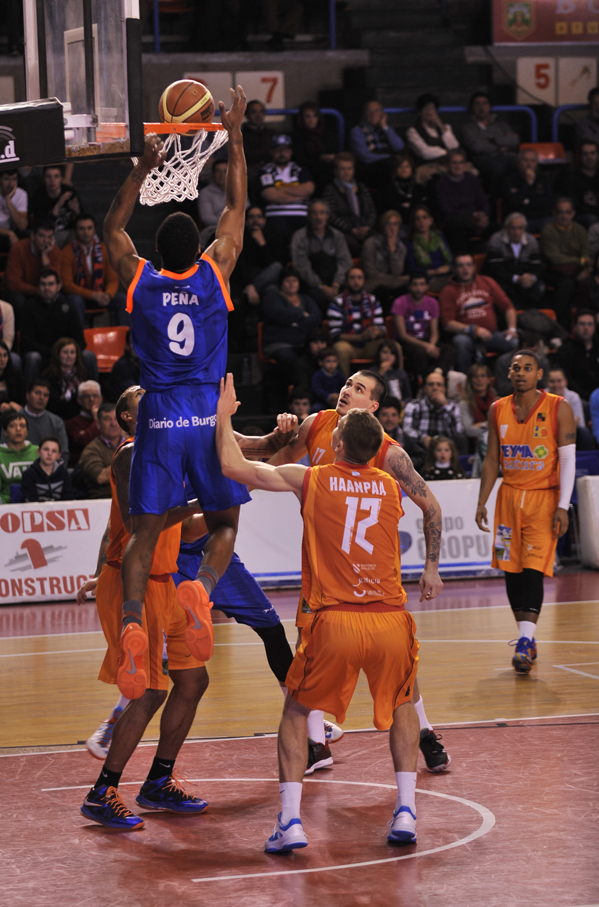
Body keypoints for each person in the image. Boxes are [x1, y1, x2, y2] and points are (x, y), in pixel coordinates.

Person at [217, 377, 443, 851]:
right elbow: (423, 504)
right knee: (404, 707)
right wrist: (430, 565)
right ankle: (405, 811)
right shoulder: (387, 484)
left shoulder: (312, 478)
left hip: (334, 617)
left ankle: (291, 821)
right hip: (389, 619)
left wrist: (222, 415)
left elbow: (234, 466)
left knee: (296, 712)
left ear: (335, 443)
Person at [103, 87, 252, 697]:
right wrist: (235, 134)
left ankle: (135, 622)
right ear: (204, 248)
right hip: (205, 413)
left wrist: (141, 167)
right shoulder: (218, 272)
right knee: (223, 525)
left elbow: (112, 225)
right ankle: (201, 591)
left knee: (144, 532)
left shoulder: (138, 278)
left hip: (158, 413)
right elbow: (238, 204)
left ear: (155, 253)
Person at [267, 369, 451, 774]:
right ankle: (317, 745)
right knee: (307, 649)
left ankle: (424, 732)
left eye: (359, 389)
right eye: (348, 384)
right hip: (322, 563)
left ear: (374, 408)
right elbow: (271, 462)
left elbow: (432, 506)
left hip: (371, 572)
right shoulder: (316, 424)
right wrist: (277, 435)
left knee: (400, 665)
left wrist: (432, 567)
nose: (348, 391)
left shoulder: (389, 452)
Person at [78, 391, 209, 830]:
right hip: (132, 583)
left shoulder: (163, 454)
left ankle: (158, 781)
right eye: (141, 398)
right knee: (150, 691)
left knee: (193, 679)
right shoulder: (130, 455)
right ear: (128, 417)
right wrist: (198, 501)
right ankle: (102, 791)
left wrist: (223, 505)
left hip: (165, 582)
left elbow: (185, 530)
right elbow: (138, 526)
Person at [475, 350, 576, 673]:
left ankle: (525, 639)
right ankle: (526, 639)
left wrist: (563, 505)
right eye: (516, 368)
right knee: (511, 569)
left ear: (539, 374)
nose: (520, 373)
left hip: (543, 499)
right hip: (508, 499)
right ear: (509, 374)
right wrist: (482, 501)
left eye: (527, 368)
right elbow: (492, 459)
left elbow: (569, 460)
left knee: (533, 567)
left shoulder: (559, 408)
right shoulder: (497, 409)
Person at [439, 253, 518, 374]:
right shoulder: (448, 291)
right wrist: (474, 330)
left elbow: (508, 307)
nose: (465, 269)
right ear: (455, 269)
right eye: (461, 266)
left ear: (474, 267)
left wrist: (512, 328)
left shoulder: (487, 282)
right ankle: (466, 381)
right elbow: (448, 323)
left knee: (514, 343)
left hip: (491, 334)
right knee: (461, 342)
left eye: (468, 265)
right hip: (466, 335)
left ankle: (505, 378)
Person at [19, 269, 96, 386]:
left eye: (50, 284)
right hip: (43, 355)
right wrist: (55, 353)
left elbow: (80, 340)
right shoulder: (28, 308)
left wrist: (68, 353)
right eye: (43, 284)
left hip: (67, 354)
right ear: (38, 287)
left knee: (88, 356)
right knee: (32, 357)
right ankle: (30, 398)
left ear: (58, 286)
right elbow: (27, 342)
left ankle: (93, 394)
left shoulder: (69, 306)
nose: (47, 288)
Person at [61, 213, 127, 327]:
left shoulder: (103, 249)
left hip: (101, 295)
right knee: (75, 301)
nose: (86, 232)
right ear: (75, 231)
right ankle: (80, 340)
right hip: (80, 297)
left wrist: (108, 295)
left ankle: (127, 340)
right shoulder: (67, 252)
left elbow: (113, 278)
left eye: (89, 228)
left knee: (123, 300)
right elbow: (67, 285)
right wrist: (92, 295)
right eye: (81, 228)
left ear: (94, 230)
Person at [261, 265, 322, 388]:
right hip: (279, 344)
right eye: (288, 281)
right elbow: (278, 314)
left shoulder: (306, 299)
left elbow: (316, 317)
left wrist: (293, 322)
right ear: (282, 283)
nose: (291, 284)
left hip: (302, 343)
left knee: (319, 356)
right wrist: (301, 315)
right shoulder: (273, 297)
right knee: (289, 358)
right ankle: (294, 392)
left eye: (294, 281)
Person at [258, 134, 315, 263]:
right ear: (271, 152)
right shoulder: (265, 171)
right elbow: (269, 195)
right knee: (278, 235)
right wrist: (298, 194)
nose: (282, 153)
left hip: (301, 217)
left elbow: (309, 189)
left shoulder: (300, 170)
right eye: (278, 150)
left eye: (285, 149)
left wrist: (280, 191)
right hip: (275, 218)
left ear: (291, 152)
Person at [290, 199, 352, 312]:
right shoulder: (299, 236)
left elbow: (345, 262)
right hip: (311, 284)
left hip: (335, 282)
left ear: (327, 215)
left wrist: (336, 285)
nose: (318, 217)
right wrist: (322, 287)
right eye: (314, 213)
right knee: (318, 299)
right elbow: (301, 265)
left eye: (322, 213)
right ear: (309, 216)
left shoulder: (337, 236)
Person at [392, 271, 453, 383]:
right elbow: (402, 335)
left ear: (427, 286)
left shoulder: (433, 302)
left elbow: (434, 332)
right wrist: (426, 346)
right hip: (407, 342)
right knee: (420, 353)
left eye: (421, 284)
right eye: (415, 284)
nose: (418, 288)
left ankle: (438, 373)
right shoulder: (399, 302)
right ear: (409, 286)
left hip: (426, 340)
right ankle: (425, 382)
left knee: (449, 349)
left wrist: (432, 345)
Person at [540, 197, 591, 330]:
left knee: (589, 281)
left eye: (567, 212)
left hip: (577, 271)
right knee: (566, 285)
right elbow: (555, 258)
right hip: (553, 271)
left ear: (573, 213)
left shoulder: (579, 229)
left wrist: (587, 269)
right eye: (561, 212)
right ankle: (563, 328)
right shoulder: (548, 230)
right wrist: (580, 261)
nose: (564, 215)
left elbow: (587, 254)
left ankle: (586, 324)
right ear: (554, 213)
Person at [327, 266, 386, 376]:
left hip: (370, 344)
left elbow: (382, 328)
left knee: (392, 347)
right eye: (352, 278)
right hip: (350, 346)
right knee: (339, 348)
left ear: (364, 280)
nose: (356, 281)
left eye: (359, 278)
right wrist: (361, 337)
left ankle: (388, 384)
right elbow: (335, 335)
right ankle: (345, 388)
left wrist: (376, 332)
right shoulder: (337, 303)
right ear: (346, 281)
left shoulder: (373, 300)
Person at [434, 149, 492, 254]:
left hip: (476, 221)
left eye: (461, 162)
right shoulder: (441, 184)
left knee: (499, 228)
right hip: (456, 221)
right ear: (447, 165)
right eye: (454, 162)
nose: (458, 166)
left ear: (466, 165)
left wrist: (484, 216)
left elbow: (484, 202)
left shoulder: (472, 179)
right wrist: (474, 216)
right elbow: (447, 210)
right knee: (459, 228)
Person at [485, 212, 544, 310]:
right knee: (506, 289)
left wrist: (531, 277)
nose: (516, 232)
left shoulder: (531, 241)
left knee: (538, 288)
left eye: (520, 228)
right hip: (504, 278)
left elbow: (537, 266)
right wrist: (517, 278)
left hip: (525, 277)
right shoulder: (496, 240)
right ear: (506, 228)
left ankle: (533, 318)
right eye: (513, 228)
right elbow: (495, 269)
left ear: (525, 228)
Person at [461, 92, 520, 189]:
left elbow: (514, 140)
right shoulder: (468, 127)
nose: (481, 107)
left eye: (484, 103)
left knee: (524, 163)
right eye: (477, 103)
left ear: (489, 107)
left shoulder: (501, 124)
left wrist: (491, 140)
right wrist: (501, 147)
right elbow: (477, 147)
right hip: (483, 158)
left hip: (505, 156)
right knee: (497, 168)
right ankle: (493, 200)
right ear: (472, 108)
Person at [403, 370, 468, 457]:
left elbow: (458, 431)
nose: (435, 388)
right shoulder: (413, 406)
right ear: (425, 388)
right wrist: (423, 437)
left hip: (447, 451)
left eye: (439, 384)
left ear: (444, 389)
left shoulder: (452, 407)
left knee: (462, 438)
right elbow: (406, 429)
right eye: (431, 384)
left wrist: (445, 406)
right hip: (422, 450)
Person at [322, 152, 377, 256]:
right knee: (348, 243)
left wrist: (367, 227)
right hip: (344, 231)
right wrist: (351, 230)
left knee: (377, 240)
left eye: (349, 168)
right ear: (336, 171)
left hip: (365, 229)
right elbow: (330, 215)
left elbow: (372, 210)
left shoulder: (361, 187)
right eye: (343, 169)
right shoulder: (330, 190)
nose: (346, 172)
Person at [5, 221, 63, 317]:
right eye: (42, 236)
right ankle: (21, 331)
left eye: (49, 237)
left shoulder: (55, 251)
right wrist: (40, 291)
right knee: (18, 299)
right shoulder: (18, 248)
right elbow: (13, 283)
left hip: (42, 290)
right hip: (19, 292)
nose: (46, 241)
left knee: (60, 299)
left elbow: (56, 281)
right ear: (33, 236)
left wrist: (45, 259)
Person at [360, 209, 409, 312]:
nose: (392, 228)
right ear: (383, 226)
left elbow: (397, 271)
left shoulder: (401, 247)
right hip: (373, 284)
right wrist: (396, 279)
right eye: (388, 224)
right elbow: (371, 274)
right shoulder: (371, 243)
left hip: (392, 282)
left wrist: (392, 250)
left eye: (395, 224)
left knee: (407, 290)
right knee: (382, 293)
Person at [405, 93, 460, 183]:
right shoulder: (413, 131)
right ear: (420, 112)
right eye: (426, 109)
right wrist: (447, 152)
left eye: (432, 109)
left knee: (468, 173)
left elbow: (454, 147)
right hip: (428, 166)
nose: (430, 112)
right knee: (435, 178)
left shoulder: (445, 127)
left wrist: (441, 127)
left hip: (449, 165)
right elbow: (424, 152)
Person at [350, 100, 405, 190]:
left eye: (377, 110)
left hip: (388, 164)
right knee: (388, 166)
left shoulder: (386, 129)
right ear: (364, 114)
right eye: (369, 111)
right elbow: (365, 157)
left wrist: (384, 126)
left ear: (383, 114)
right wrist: (389, 158)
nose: (373, 114)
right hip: (368, 168)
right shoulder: (357, 131)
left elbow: (399, 147)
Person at [79, 402, 125, 498]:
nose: (113, 423)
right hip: (105, 503)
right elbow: (100, 477)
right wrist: (130, 460)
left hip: (136, 500)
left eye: (116, 419)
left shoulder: (133, 443)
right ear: (98, 424)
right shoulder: (92, 449)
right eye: (107, 419)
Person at [17, 378, 69, 463]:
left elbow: (63, 453)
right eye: (37, 393)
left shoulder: (56, 422)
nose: (41, 398)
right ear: (27, 395)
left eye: (46, 395)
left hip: (50, 471)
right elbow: (4, 448)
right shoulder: (14, 420)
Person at [501, 149, 554, 234]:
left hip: (541, 218)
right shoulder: (510, 179)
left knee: (553, 225)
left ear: (536, 164)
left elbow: (548, 202)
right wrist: (528, 184)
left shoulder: (543, 178)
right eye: (525, 160)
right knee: (516, 227)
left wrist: (527, 201)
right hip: (520, 220)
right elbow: (514, 203)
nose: (529, 164)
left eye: (533, 161)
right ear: (519, 163)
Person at [404, 205, 453, 293]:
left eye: (424, 217)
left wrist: (448, 267)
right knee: (457, 281)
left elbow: (450, 259)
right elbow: (412, 269)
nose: (421, 221)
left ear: (430, 220)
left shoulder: (439, 236)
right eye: (417, 219)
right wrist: (434, 272)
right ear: (414, 222)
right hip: (427, 279)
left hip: (446, 273)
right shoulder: (410, 242)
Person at [30, 165, 82, 247]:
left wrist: (78, 212)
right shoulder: (38, 196)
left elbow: (84, 217)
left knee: (88, 236)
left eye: (56, 176)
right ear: (44, 179)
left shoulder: (70, 193)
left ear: (62, 178)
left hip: (69, 232)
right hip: (48, 234)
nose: (52, 180)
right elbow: (41, 225)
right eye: (48, 176)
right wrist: (58, 205)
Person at [291, 101, 337, 191]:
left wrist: (332, 157)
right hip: (309, 171)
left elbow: (334, 150)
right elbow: (300, 160)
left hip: (328, 167)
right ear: (302, 118)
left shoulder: (326, 134)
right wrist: (320, 158)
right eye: (308, 116)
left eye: (315, 116)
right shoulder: (297, 136)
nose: (312, 120)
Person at [554, 309, 599, 401]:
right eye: (582, 324)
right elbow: (567, 380)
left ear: (595, 327)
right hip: (577, 398)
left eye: (590, 324)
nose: (586, 328)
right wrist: (587, 397)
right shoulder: (566, 349)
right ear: (575, 326)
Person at [547, 365, 595, 450]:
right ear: (547, 383)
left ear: (565, 382)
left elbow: (580, 423)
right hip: (546, 433)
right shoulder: (540, 396)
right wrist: (570, 421)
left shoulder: (573, 397)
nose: (556, 385)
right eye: (552, 381)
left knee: (584, 432)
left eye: (559, 381)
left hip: (569, 434)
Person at [43, 337, 90, 422]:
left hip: (82, 418)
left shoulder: (84, 374)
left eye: (72, 352)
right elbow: (54, 404)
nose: (69, 356)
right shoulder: (49, 376)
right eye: (65, 352)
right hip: (59, 419)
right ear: (58, 354)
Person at [555, 140, 599, 229]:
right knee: (591, 218)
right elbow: (576, 206)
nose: (589, 157)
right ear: (580, 156)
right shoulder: (571, 177)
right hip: (581, 217)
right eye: (585, 154)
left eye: (592, 153)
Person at [494, 331, 548, 399]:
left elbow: (544, 385)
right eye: (527, 352)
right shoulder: (504, 362)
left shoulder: (542, 361)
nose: (531, 356)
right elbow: (502, 389)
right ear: (518, 348)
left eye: (534, 352)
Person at [379, 155, 427, 231]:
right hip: (398, 226)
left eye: (407, 166)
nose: (404, 169)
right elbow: (389, 208)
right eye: (400, 166)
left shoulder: (419, 188)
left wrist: (405, 206)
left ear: (412, 169)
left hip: (419, 224)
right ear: (395, 169)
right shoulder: (388, 188)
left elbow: (423, 207)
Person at [20, 435, 73, 502]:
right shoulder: (28, 474)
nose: (49, 454)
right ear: (38, 452)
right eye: (46, 449)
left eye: (54, 451)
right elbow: (31, 501)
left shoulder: (64, 474)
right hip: (37, 511)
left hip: (59, 511)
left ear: (59, 455)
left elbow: (68, 500)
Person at [0, 410, 38, 503]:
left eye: (22, 426)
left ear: (27, 431)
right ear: (5, 432)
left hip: (36, 503)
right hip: (6, 505)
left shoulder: (38, 451)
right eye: (12, 426)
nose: (18, 429)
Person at [65, 379, 103, 465]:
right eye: (87, 396)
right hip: (82, 466)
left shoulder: (110, 419)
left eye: (95, 396)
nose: (91, 399)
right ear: (79, 400)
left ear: (101, 399)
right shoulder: (72, 423)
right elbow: (86, 441)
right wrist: (96, 419)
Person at [458, 363, 497, 444]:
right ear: (470, 381)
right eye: (475, 376)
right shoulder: (465, 404)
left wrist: (481, 425)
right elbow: (468, 430)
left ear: (489, 380)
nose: (479, 379)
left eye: (483, 376)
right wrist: (490, 426)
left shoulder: (498, 402)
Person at [198, 160, 229, 247]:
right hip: (213, 230)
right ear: (213, 174)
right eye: (218, 171)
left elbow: (246, 212)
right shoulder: (205, 193)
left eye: (225, 171)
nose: (221, 175)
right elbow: (207, 218)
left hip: (237, 228)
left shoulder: (237, 191)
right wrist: (231, 221)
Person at [105, 329, 141, 403]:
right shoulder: (122, 366)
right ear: (127, 346)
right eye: (134, 343)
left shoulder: (150, 363)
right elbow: (134, 395)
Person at [242, 100, 275, 180]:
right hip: (251, 172)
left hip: (272, 168)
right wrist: (267, 152)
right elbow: (246, 156)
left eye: (261, 112)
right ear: (247, 115)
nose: (258, 115)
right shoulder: (240, 135)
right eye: (254, 112)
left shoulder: (271, 133)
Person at [371, 338, 412, 403]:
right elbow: (372, 393)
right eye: (385, 352)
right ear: (378, 353)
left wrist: (404, 403)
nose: (388, 356)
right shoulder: (372, 372)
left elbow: (408, 396)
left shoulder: (400, 373)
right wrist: (381, 373)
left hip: (399, 405)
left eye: (392, 353)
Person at [0, 169, 27, 253]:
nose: (11, 184)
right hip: (3, 233)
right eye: (6, 179)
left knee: (26, 235)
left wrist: (8, 201)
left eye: (14, 179)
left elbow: (22, 226)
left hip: (13, 232)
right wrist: (9, 233)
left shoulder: (21, 194)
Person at [0, 340, 25, 414]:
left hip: (12, 415)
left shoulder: (16, 373)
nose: (2, 359)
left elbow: (23, 399)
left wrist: (12, 404)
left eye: (5, 355)